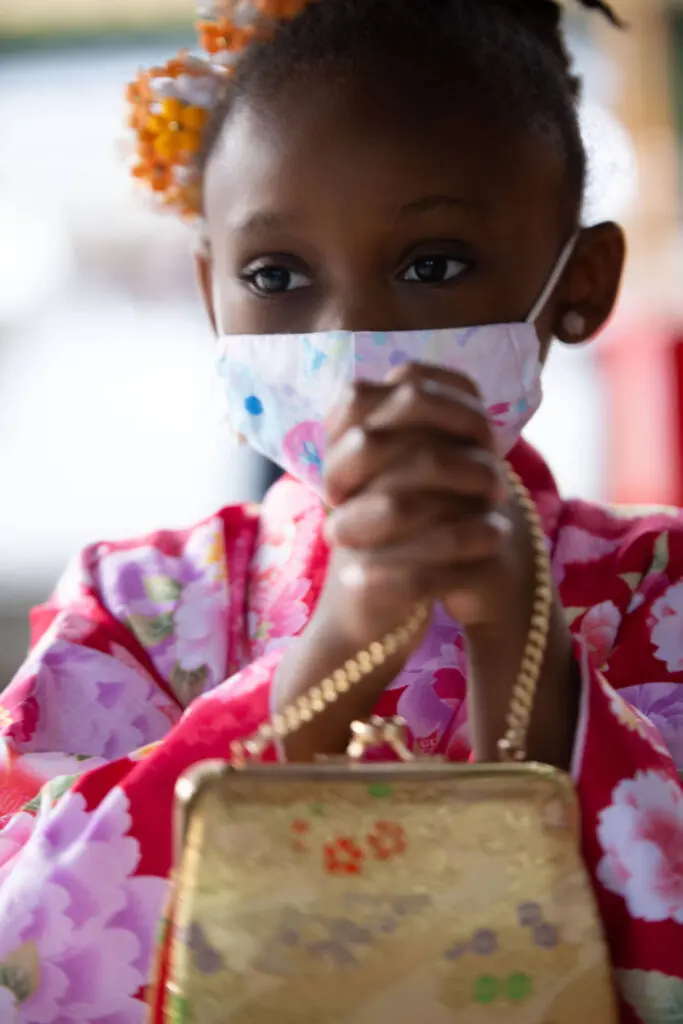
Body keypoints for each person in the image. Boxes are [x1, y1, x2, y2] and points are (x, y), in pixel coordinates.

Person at [1, 0, 682, 1019]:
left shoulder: (656, 588)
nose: (352, 331)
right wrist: (332, 652)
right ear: (209, 295)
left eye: (432, 265)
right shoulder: (133, 606)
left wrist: (523, 652)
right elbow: (24, 949)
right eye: (276, 275)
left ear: (579, 283)